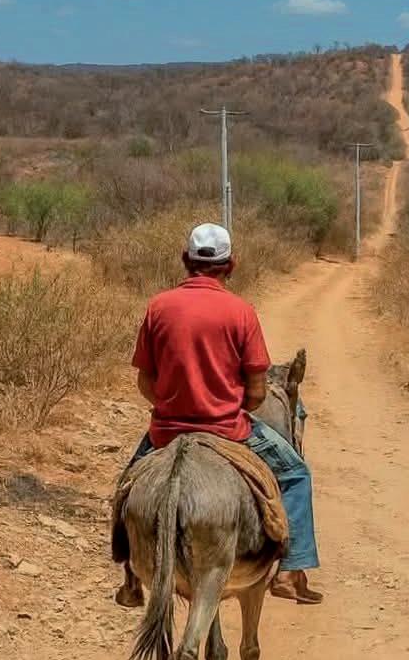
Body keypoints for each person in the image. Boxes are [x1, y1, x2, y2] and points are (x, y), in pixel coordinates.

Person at [118, 222, 322, 606]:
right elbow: (257, 392)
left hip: (166, 430)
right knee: (296, 475)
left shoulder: (159, 306)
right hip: (229, 430)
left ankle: (130, 575)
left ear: (186, 260)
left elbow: (145, 381)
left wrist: (172, 405)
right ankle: (290, 571)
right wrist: (224, 405)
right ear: (231, 265)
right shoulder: (241, 312)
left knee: (126, 487)